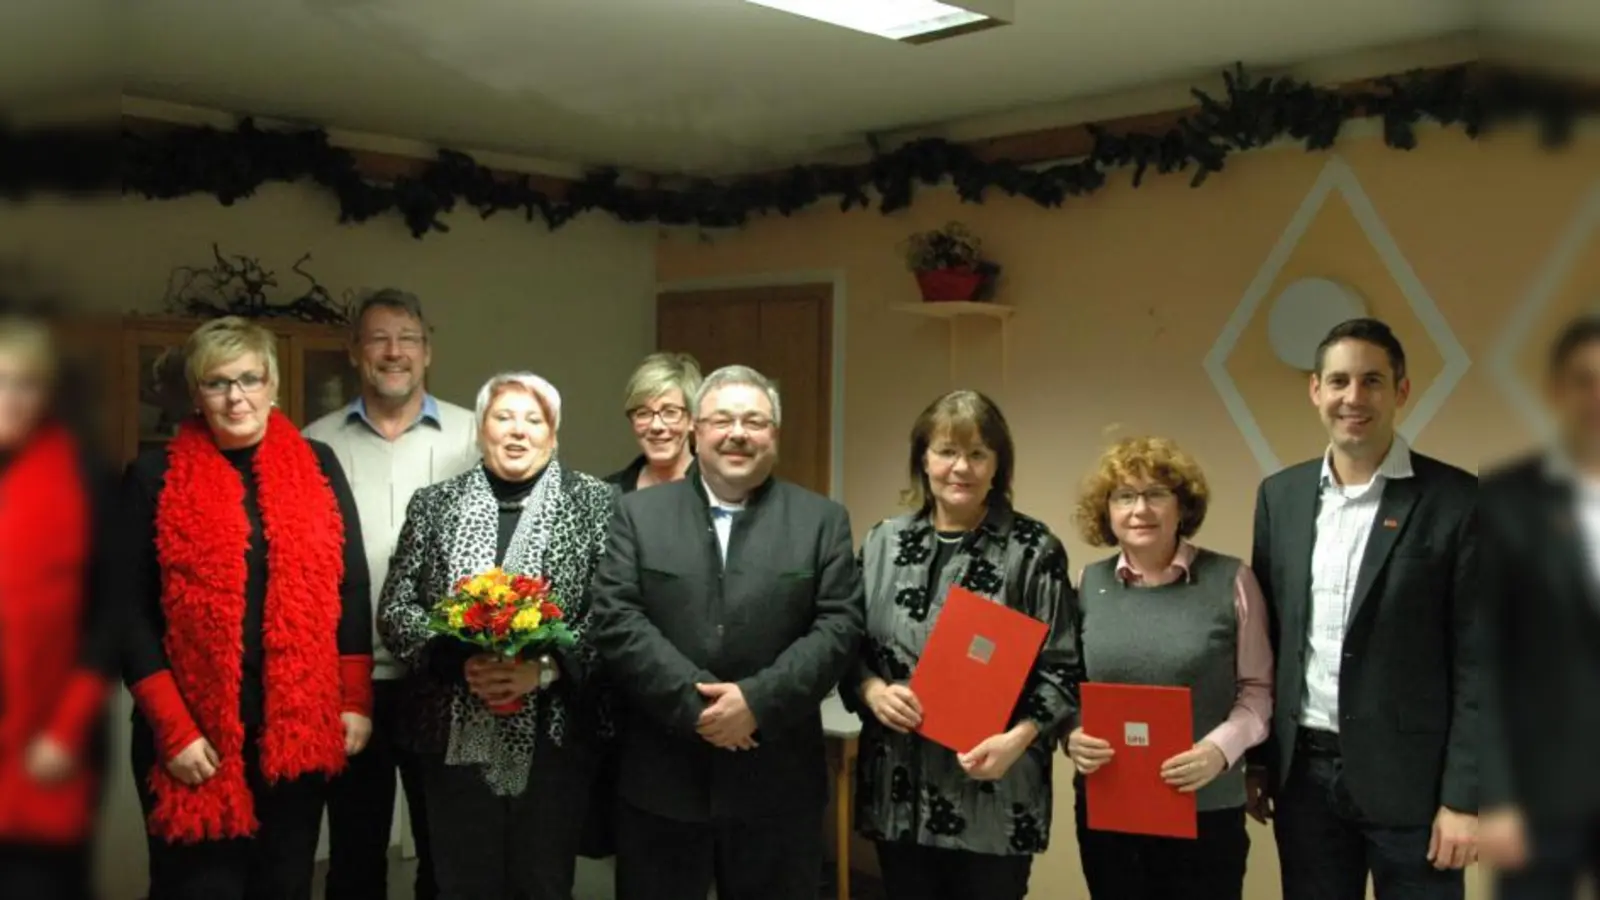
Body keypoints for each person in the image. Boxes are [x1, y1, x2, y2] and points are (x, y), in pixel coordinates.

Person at [120, 316, 374, 900]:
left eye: (249, 379)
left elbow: (352, 586)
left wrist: (354, 699)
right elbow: (125, 611)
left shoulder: (319, 465)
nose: (236, 397)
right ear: (196, 394)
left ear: (273, 385)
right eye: (217, 382)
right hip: (192, 737)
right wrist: (174, 731)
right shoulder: (153, 476)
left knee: (284, 884)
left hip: (295, 734)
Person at [589, 364, 864, 900]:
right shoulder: (638, 515)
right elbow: (617, 618)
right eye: (722, 420)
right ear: (697, 431)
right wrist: (700, 707)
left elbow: (839, 625)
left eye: (754, 421)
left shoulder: (821, 521)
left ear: (773, 435)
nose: (738, 433)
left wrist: (757, 701)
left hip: (778, 783)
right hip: (663, 780)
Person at [1247, 318, 1478, 900]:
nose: (1354, 397)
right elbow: (1268, 643)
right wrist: (1259, 761)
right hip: (1304, 780)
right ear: (1315, 390)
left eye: (1372, 381)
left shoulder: (1458, 501)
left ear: (1400, 391)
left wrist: (1464, 799)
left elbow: (1481, 662)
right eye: (1339, 381)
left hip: (1416, 788)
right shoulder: (1280, 497)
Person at [376, 371, 616, 900]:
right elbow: (395, 609)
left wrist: (546, 669)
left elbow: (614, 616)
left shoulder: (596, 503)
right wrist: (455, 660)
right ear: (481, 429)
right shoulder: (434, 504)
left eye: (534, 420)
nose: (517, 431)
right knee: (461, 880)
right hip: (450, 731)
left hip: (556, 737)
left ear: (553, 434)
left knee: (542, 882)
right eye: (503, 417)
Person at [842, 390, 1080, 900]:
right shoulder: (882, 542)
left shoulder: (1032, 550)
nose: (961, 467)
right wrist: (871, 690)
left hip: (994, 796)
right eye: (947, 451)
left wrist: (1017, 739)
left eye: (977, 454)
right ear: (923, 460)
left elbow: (1062, 670)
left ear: (998, 466)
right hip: (898, 794)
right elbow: (844, 646)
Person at [303, 289, 477, 900]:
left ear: (428, 352)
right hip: (350, 680)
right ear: (354, 351)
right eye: (378, 339)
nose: (394, 352)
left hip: (445, 678)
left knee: (446, 852)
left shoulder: (475, 435)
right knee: (355, 853)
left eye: (407, 339)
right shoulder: (314, 444)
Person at [1065, 436, 1272, 900]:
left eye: (1156, 493)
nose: (1140, 509)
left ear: (1182, 506)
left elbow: (1258, 690)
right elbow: (1068, 684)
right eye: (1125, 496)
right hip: (1112, 807)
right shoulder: (1087, 584)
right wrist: (1072, 733)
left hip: (1205, 807)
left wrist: (1219, 751)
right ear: (1107, 511)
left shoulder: (1231, 579)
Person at [1478, 314, 1600, 898]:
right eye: (1584, 380)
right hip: (1539, 798)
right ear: (1557, 389)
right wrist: (1495, 797)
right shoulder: (1505, 502)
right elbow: (1482, 658)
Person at [0, 310, 117, 900]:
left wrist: (65, 730)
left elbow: (109, 614)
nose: (8, 399)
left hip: (51, 739)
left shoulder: (83, 475)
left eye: (24, 383)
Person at [605, 351, 701, 493]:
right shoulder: (608, 494)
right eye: (643, 413)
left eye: (670, 412)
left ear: (692, 419)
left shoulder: (718, 488)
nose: (656, 426)